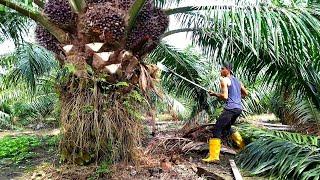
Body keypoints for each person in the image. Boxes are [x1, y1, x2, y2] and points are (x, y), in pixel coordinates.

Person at [202, 63, 248, 163]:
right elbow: (245, 93)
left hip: (230, 108)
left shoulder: (224, 80)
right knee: (227, 128)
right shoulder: (237, 81)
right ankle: (243, 148)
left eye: (222, 69)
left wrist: (214, 94)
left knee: (217, 129)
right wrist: (237, 97)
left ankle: (214, 157)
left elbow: (225, 96)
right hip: (238, 109)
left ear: (228, 70)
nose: (221, 71)